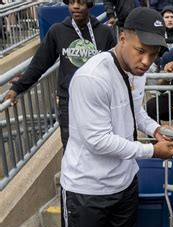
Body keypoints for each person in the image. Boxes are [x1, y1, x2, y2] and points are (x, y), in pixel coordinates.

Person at [54, 8, 173, 227]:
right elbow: (98, 141)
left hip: (123, 182)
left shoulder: (139, 71)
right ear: (122, 37)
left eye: (153, 55)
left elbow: (136, 112)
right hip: (87, 189)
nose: (146, 62)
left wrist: (155, 129)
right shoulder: (91, 77)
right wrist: (152, 150)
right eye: (140, 51)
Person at [2, 0, 115, 149]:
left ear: (89, 4)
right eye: (71, 2)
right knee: (71, 148)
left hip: (97, 101)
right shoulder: (58, 31)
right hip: (69, 101)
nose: (75, 6)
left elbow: (115, 66)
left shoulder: (104, 33)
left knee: (100, 146)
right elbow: (39, 64)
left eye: (80, 2)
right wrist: (17, 88)